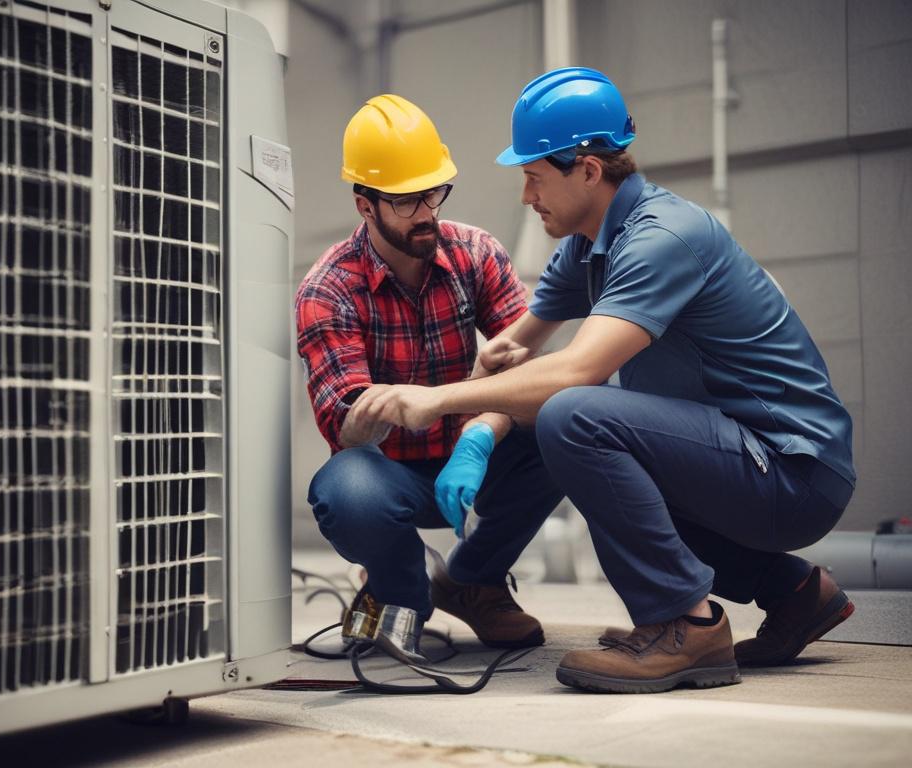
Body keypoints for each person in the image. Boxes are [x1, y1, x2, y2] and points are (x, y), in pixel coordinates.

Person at [358, 69, 856, 692]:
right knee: (595, 456)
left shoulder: (661, 238)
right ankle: (795, 593)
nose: (525, 196)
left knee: (578, 417)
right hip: (745, 459)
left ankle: (686, 625)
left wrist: (437, 400)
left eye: (534, 176)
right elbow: (515, 348)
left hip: (794, 471)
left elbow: (575, 372)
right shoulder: (591, 243)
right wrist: (478, 433)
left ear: (587, 171)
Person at [295, 95, 564, 655]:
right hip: (389, 474)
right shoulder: (327, 290)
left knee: (567, 422)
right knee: (348, 491)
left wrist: (479, 431)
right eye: (405, 200)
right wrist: (387, 410)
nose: (426, 212)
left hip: (474, 454)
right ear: (364, 205)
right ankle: (400, 589)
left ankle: (473, 581)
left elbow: (529, 376)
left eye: (434, 192)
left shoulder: (475, 254)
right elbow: (345, 428)